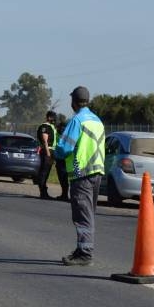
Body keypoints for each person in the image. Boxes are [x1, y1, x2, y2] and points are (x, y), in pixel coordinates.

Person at [54, 86, 105, 266]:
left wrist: (55, 152)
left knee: (82, 215)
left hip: (79, 171)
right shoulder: (97, 121)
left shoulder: (77, 121)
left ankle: (84, 253)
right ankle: (82, 248)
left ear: (73, 102)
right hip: (96, 172)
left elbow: (65, 148)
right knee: (88, 213)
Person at [36, 110, 58, 199]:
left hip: (51, 150)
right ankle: (43, 192)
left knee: (47, 172)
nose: (54, 119)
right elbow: (45, 141)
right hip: (47, 151)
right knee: (44, 173)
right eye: (53, 117)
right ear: (49, 117)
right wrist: (48, 153)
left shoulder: (52, 126)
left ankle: (44, 192)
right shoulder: (44, 126)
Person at [55, 119, 70, 201]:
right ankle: (64, 194)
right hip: (61, 159)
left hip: (63, 160)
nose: (59, 129)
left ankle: (65, 195)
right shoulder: (59, 135)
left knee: (63, 178)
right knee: (62, 178)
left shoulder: (67, 136)